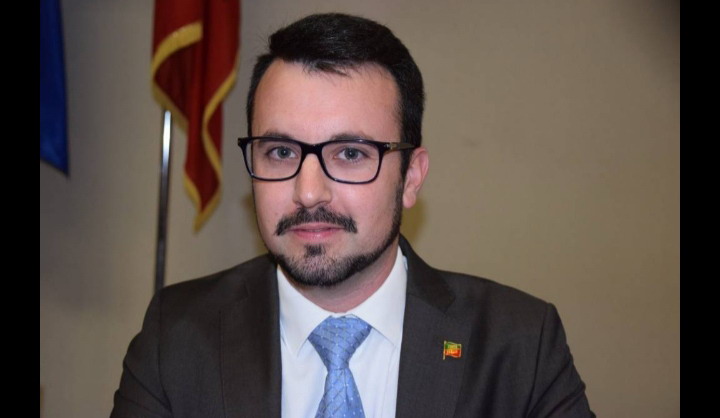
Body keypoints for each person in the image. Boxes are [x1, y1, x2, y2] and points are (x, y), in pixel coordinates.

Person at [111, 13, 594, 418]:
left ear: (411, 177)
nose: (308, 192)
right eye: (281, 152)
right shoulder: (176, 338)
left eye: (349, 154)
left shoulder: (520, 346)